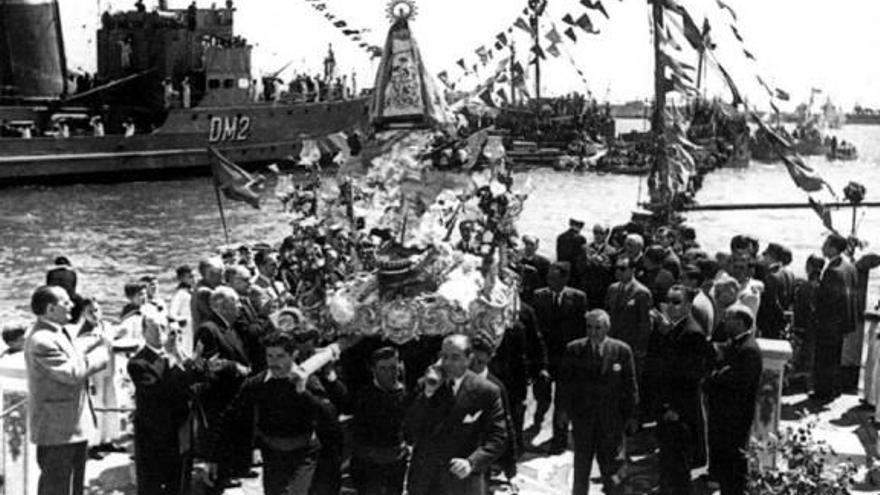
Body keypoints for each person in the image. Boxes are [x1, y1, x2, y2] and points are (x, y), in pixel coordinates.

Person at [205, 332, 324, 495]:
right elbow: (230, 418)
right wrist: (214, 458)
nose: (274, 363)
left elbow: (327, 414)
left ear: (293, 355)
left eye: (280, 356)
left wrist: (303, 393)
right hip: (272, 456)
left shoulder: (309, 381)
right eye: (270, 356)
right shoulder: (257, 384)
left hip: (303, 455)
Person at [25, 286, 109, 495]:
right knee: (58, 488)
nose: (72, 305)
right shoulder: (41, 340)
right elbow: (71, 372)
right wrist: (100, 356)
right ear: (50, 309)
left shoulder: (55, 332)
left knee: (73, 487)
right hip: (57, 432)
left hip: (70, 428)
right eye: (65, 302)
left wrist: (95, 336)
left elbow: (73, 349)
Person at [405, 334, 508, 495]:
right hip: (425, 481)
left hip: (462, 482)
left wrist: (471, 462)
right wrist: (428, 393)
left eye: (455, 357)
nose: (448, 363)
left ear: (469, 359)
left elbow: (498, 437)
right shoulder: (425, 385)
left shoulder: (486, 391)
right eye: (444, 357)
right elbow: (410, 431)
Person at [557, 310, 638, 495]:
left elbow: (630, 386)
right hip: (583, 421)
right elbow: (564, 385)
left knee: (613, 470)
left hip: (611, 422)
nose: (593, 332)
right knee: (581, 469)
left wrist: (633, 415)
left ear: (607, 328)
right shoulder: (574, 350)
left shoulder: (621, 351)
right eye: (589, 327)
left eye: (598, 328)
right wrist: (562, 411)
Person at [128, 311, 205, 495]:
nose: (160, 332)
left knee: (180, 482)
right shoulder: (138, 362)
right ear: (144, 331)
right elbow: (156, 391)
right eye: (155, 328)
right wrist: (170, 359)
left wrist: (185, 359)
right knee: (152, 484)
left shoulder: (176, 355)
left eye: (163, 328)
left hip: (181, 430)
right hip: (155, 435)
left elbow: (192, 383)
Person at [646, 286, 711, 494]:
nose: (670, 306)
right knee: (667, 458)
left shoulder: (692, 333)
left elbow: (691, 378)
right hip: (666, 405)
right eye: (669, 301)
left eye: (676, 302)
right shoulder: (671, 329)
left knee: (680, 464)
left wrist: (675, 408)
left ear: (688, 306)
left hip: (679, 411)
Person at [193, 287, 253, 488]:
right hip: (219, 393)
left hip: (235, 391)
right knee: (221, 435)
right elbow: (208, 362)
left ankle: (233, 469)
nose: (239, 306)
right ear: (222, 305)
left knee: (233, 433)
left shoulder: (229, 326)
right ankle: (218, 478)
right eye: (235, 302)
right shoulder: (208, 329)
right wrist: (235, 367)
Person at [704, 304, 762, 494]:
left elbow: (734, 381)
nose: (724, 322)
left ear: (739, 322)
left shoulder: (749, 350)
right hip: (724, 415)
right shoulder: (735, 344)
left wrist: (715, 376)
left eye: (728, 319)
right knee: (725, 463)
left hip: (735, 417)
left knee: (734, 464)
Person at [531, 262, 588, 453]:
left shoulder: (578, 298)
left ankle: (559, 440)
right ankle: (538, 418)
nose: (550, 282)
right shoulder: (539, 296)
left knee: (562, 400)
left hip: (567, 357)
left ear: (565, 279)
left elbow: (581, 329)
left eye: (555, 279)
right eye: (548, 278)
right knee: (543, 395)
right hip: (545, 356)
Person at [351, 346, 410, 495]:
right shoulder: (363, 395)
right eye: (383, 368)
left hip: (395, 461)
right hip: (368, 463)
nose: (389, 373)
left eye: (393, 368)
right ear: (373, 369)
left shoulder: (406, 394)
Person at [813, 234, 859, 401]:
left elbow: (827, 300)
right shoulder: (849, 267)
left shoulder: (832, 271)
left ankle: (823, 392)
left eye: (825, 244)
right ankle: (834, 388)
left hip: (829, 322)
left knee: (825, 358)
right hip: (842, 321)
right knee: (835, 357)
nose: (822, 247)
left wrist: (817, 289)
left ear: (832, 247)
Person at [470, 337, 518, 482]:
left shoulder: (496, 387)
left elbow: (506, 425)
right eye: (472, 362)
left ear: (489, 359)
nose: (474, 367)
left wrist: (511, 462)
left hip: (484, 454)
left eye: (480, 362)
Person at [605, 256, 653, 384]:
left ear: (632, 270)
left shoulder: (641, 292)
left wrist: (640, 348)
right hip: (613, 342)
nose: (618, 272)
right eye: (616, 268)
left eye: (622, 269)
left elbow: (645, 324)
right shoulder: (612, 289)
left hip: (631, 344)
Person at [191, 257, 225, 329]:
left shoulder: (206, 287)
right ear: (209, 274)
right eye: (219, 274)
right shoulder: (203, 292)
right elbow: (216, 317)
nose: (222, 278)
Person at [168, 265, 195, 351]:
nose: (194, 279)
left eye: (194, 276)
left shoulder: (192, 291)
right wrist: (186, 320)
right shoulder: (179, 295)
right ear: (181, 278)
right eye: (190, 277)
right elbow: (172, 315)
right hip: (187, 330)